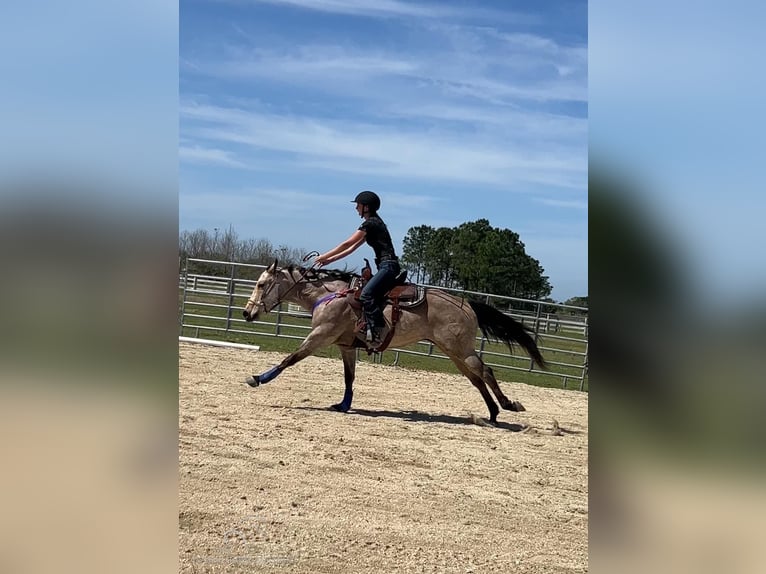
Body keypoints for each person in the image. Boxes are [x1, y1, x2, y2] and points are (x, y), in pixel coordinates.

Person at [315, 190, 401, 346]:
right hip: (386, 265)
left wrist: (323, 255)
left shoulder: (371, 223)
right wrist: (330, 259)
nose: (356, 208)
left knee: (366, 294)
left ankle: (376, 330)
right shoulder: (374, 223)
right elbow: (351, 249)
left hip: (388, 266)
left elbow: (346, 244)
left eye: (358, 205)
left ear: (366, 207)